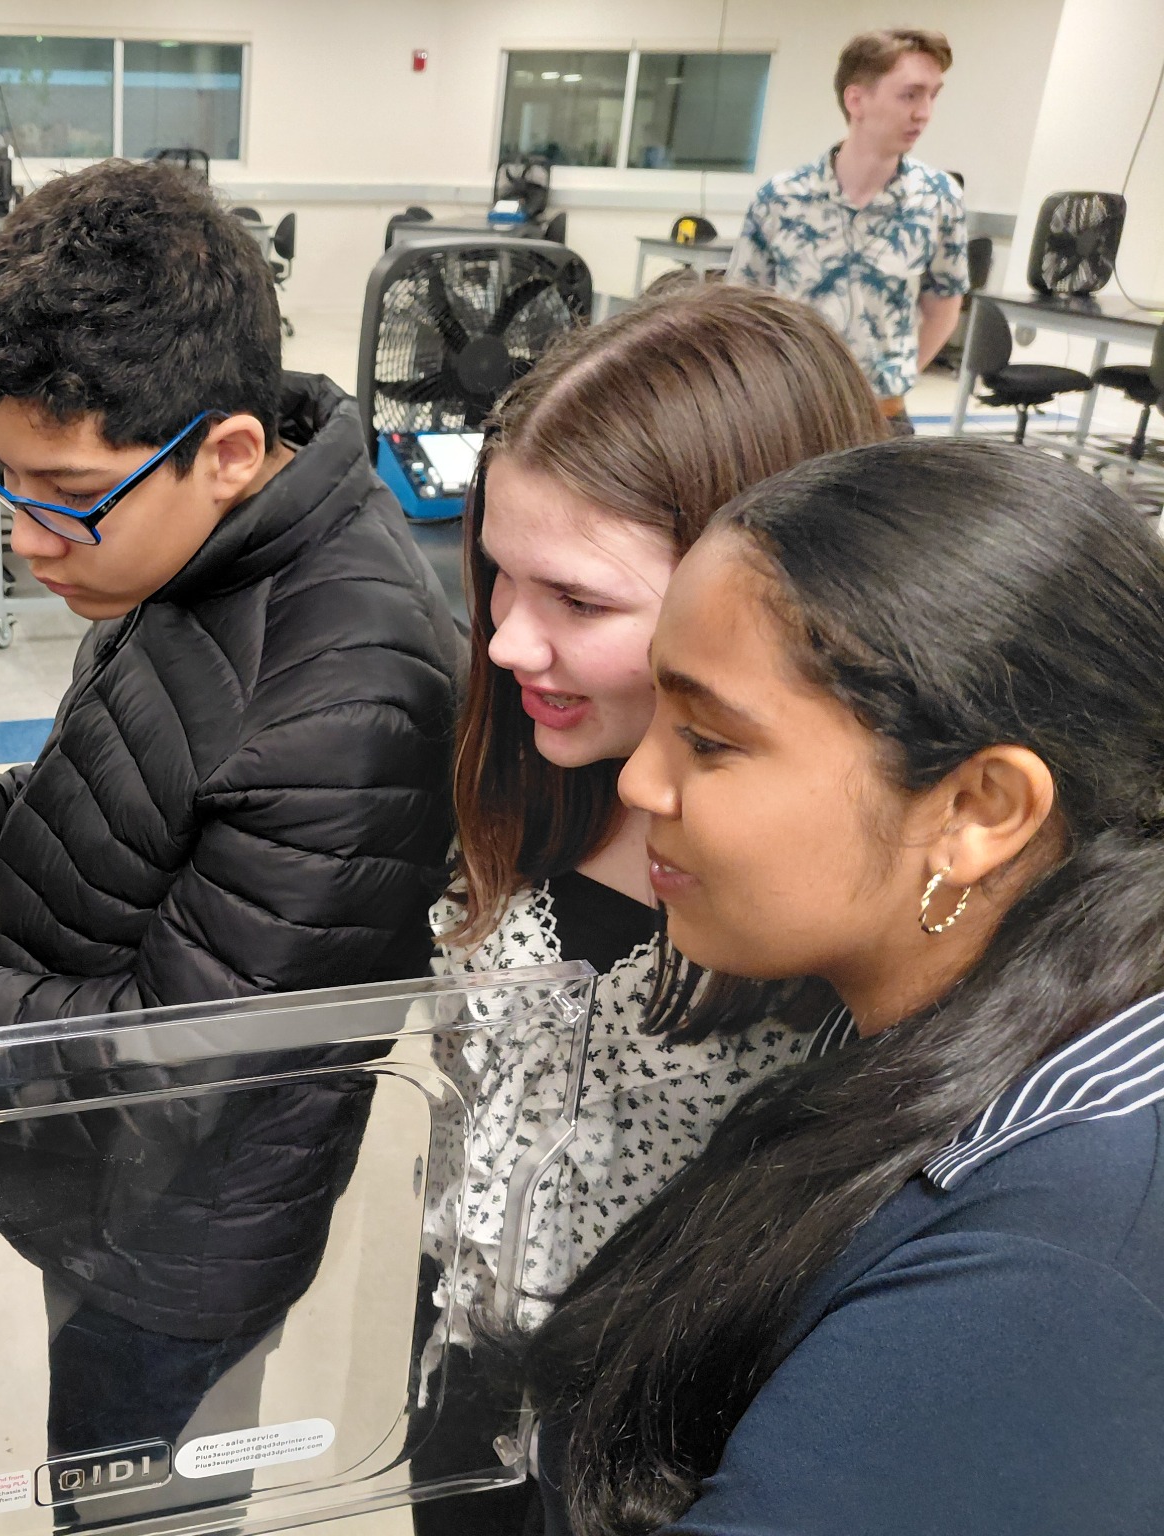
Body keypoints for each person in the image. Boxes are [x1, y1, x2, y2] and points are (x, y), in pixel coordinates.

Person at [0, 158, 462, 1475]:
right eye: (0, 478)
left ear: (230, 451)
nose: (29, 537)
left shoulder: (353, 694)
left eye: (62, 493)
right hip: (102, 1174)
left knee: (136, 1490)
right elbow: (135, 762)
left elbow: (171, 1048)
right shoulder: (196, 544)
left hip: (184, 1237)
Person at [521, 438, 1164, 1534]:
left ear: (977, 810)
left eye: (709, 741)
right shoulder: (952, 1023)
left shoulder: (1040, 1262)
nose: (639, 780)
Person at [408, 283, 887, 1536]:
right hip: (466, 1368)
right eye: (495, 579)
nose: (509, 643)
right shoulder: (525, 758)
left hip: (643, 1452)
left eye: (578, 602)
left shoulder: (827, 910)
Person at [727, 28, 970, 432]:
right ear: (856, 100)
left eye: (933, 95)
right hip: (790, 416)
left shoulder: (938, 197)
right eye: (910, 94)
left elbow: (944, 303)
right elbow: (741, 308)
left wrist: (894, 378)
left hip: (883, 417)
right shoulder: (782, 198)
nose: (924, 112)